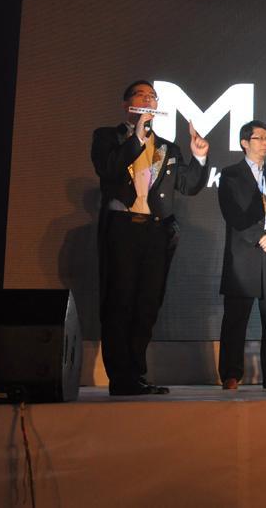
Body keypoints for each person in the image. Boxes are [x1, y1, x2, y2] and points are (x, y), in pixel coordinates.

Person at [91, 80, 211, 396]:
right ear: (126, 103)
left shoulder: (167, 147)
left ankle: (136, 374)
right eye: (141, 95)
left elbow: (188, 186)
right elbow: (109, 169)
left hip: (156, 231)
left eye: (153, 97)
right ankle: (120, 377)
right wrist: (137, 137)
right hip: (122, 229)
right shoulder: (107, 137)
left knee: (147, 303)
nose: (148, 100)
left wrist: (199, 158)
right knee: (120, 302)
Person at [217, 120, 266, 390]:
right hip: (244, 256)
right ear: (244, 142)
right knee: (236, 320)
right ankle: (231, 374)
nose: (265, 143)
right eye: (259, 138)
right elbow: (232, 214)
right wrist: (260, 237)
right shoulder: (230, 174)